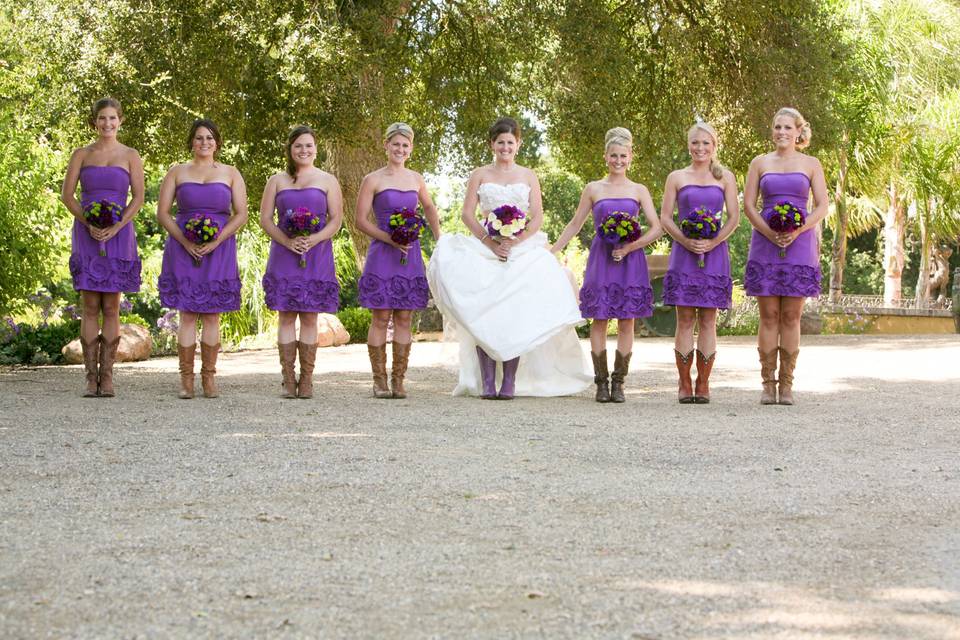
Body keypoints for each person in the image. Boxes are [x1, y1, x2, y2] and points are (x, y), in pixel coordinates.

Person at [428, 117, 591, 399]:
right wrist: (491, 242)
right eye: (500, 142)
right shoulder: (479, 174)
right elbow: (467, 214)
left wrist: (516, 239)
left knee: (515, 312)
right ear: (492, 144)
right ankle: (488, 381)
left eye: (510, 142)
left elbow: (537, 216)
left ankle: (510, 381)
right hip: (485, 247)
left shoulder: (528, 175)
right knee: (483, 311)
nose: (505, 147)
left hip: (521, 248)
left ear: (518, 144)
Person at [551, 127, 661, 403]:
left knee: (627, 320)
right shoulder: (593, 188)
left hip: (630, 260)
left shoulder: (639, 190)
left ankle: (619, 383)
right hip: (602, 258)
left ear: (631, 156)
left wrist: (631, 246)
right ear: (606, 157)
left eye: (623, 156)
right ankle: (601, 382)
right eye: (614, 155)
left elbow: (657, 227)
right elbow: (575, 224)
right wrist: (552, 250)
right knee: (599, 318)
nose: (619, 161)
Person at [157, 119, 248, 398]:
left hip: (219, 249)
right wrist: (185, 241)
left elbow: (241, 214)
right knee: (187, 313)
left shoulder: (231, 173)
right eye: (199, 138)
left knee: (211, 315)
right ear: (192, 142)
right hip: (183, 248)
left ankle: (209, 378)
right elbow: (163, 213)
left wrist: (217, 240)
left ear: (217, 143)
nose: (204, 143)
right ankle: (186, 380)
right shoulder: (176, 172)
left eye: (209, 138)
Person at [743, 108, 828, 405]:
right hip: (765, 242)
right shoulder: (759, 163)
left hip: (800, 244)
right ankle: (767, 384)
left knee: (791, 316)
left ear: (798, 131)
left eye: (787, 127)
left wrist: (800, 229)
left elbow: (821, 206)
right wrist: (768, 232)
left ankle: (787, 385)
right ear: (772, 130)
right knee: (769, 316)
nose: (782, 132)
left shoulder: (811, 164)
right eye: (777, 126)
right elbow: (749, 206)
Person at [61, 97, 144, 397]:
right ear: (94, 121)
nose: (107, 124)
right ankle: (89, 376)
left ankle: (107, 376)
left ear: (120, 120)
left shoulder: (131, 155)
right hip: (87, 233)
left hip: (119, 234)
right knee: (90, 305)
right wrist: (90, 222)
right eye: (102, 118)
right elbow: (68, 195)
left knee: (111, 305)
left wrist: (118, 225)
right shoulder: (81, 154)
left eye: (113, 118)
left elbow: (138, 198)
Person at [356, 122, 441, 398]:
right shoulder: (373, 179)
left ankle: (399, 380)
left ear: (411, 149)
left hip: (410, 253)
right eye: (396, 144)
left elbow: (428, 207)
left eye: (405, 145)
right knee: (380, 315)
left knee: (404, 316)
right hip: (383, 251)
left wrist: (440, 237)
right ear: (386, 145)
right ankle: (379, 379)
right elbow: (359, 220)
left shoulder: (416, 179)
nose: (400, 149)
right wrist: (388, 238)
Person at [260, 125, 343, 399]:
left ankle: (306, 379)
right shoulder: (277, 180)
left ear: (316, 149)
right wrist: (287, 241)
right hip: (284, 253)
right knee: (285, 315)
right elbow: (265, 220)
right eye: (298, 146)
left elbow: (336, 220)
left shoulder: (328, 180)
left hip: (316, 254)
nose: (304, 150)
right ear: (290, 150)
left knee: (310, 316)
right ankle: (287, 379)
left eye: (308, 145)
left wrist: (315, 239)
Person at [660, 122, 740, 403]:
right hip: (684, 253)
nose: (700, 148)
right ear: (688, 145)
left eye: (706, 143)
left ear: (714, 146)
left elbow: (734, 218)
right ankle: (683, 384)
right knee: (684, 318)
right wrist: (685, 240)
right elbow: (666, 217)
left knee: (708, 318)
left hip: (714, 253)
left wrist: (714, 241)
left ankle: (703, 384)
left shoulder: (725, 177)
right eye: (695, 143)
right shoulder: (676, 177)